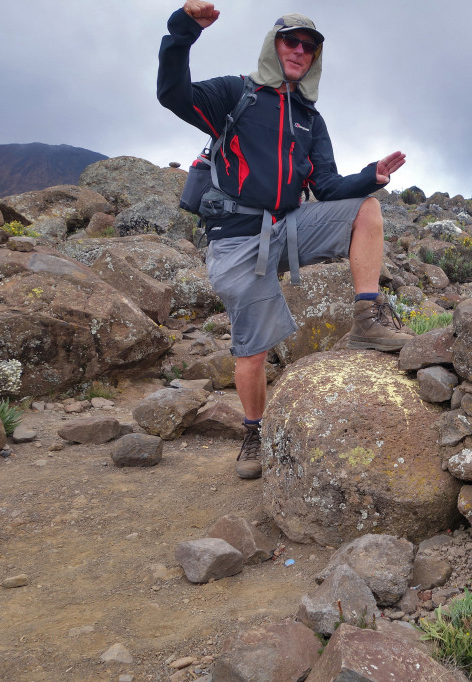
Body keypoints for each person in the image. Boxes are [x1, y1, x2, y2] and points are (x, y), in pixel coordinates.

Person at [158, 1, 411, 479]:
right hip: (236, 238)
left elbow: (328, 187)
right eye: (290, 41)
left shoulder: (309, 119)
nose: (299, 50)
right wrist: (184, 28)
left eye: (308, 46)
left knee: (366, 207)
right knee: (252, 347)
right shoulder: (237, 94)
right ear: (273, 47)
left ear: (315, 58)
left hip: (288, 227)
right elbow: (172, 92)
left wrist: (370, 177)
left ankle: (366, 317)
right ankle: (253, 433)